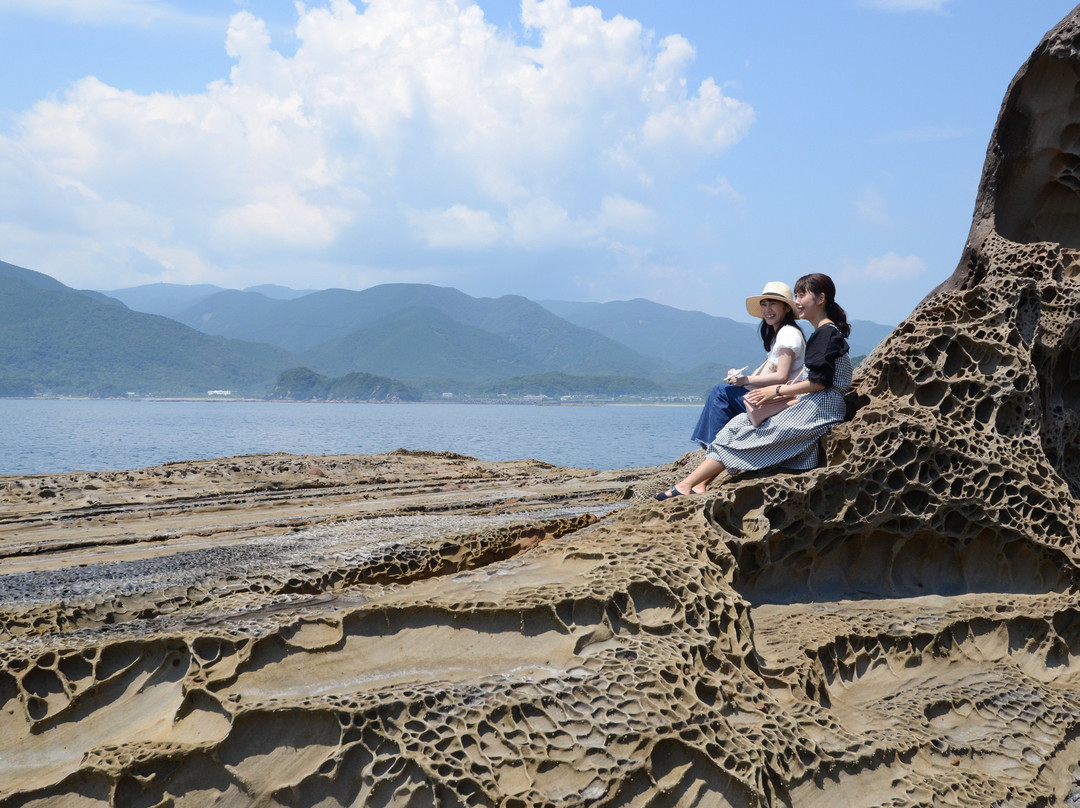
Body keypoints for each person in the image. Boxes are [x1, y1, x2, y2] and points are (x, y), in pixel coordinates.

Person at [656, 273, 852, 500]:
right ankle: (695, 483)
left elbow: (819, 383)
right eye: (795, 295)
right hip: (812, 404)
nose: (797, 301)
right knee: (737, 424)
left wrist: (774, 390)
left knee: (747, 432)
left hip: (820, 408)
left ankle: (686, 484)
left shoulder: (824, 334)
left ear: (820, 299)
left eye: (802, 295)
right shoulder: (824, 333)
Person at [690, 281, 806, 451]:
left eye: (773, 304)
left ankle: (715, 449)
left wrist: (745, 380)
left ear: (787, 308)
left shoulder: (788, 333)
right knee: (722, 392)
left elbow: (782, 376)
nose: (767, 309)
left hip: (779, 400)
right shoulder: (781, 334)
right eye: (764, 304)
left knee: (720, 393)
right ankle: (718, 446)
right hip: (775, 397)